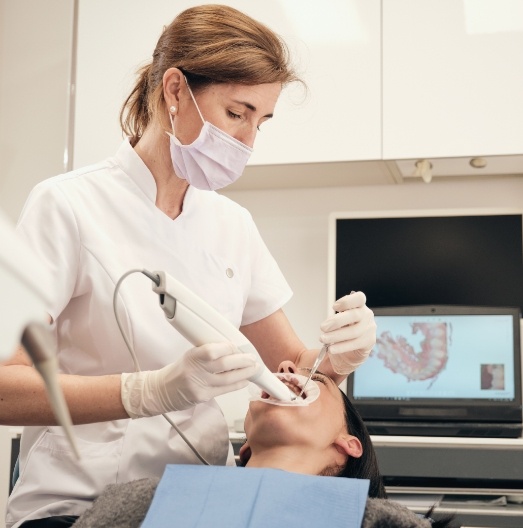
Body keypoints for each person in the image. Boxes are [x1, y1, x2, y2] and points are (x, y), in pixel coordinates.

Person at [3, 5, 377, 527]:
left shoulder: (232, 225)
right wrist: (145, 393)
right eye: (236, 113)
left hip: (199, 506)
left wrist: (342, 353)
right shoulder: (67, 204)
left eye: (261, 122)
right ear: (175, 91)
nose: (248, 142)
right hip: (76, 504)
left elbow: (294, 365)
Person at [71, 362, 455, 528]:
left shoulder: (380, 522)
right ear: (245, 447)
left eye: (315, 380)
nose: (286, 373)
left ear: (348, 444)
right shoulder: (143, 501)